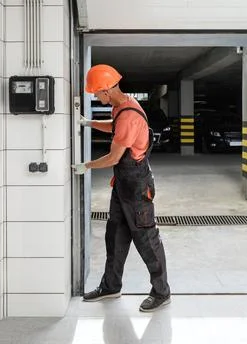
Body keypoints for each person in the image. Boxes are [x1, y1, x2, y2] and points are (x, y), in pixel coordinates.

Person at [71, 64, 171, 312]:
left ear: (106, 89)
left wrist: (86, 165)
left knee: (146, 239)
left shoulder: (127, 115)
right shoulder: (120, 106)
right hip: (123, 185)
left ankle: (161, 292)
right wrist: (88, 123)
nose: (96, 97)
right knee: (115, 236)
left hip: (137, 186)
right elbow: (114, 127)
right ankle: (111, 286)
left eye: (97, 93)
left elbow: (114, 158)